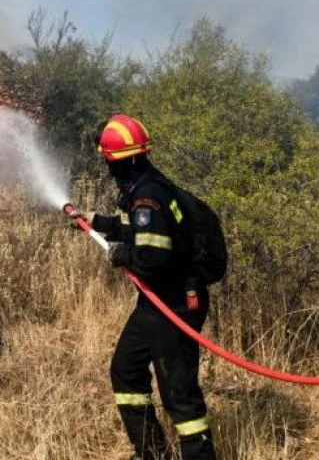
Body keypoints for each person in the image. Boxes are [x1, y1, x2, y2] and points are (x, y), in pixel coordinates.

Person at [69, 113, 216, 460]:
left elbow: (153, 257)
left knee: (179, 394)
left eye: (110, 161)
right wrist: (97, 223)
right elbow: (136, 230)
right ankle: (151, 453)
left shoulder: (148, 196)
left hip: (175, 304)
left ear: (121, 161)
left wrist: (123, 256)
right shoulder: (143, 187)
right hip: (156, 304)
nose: (109, 168)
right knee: (127, 371)